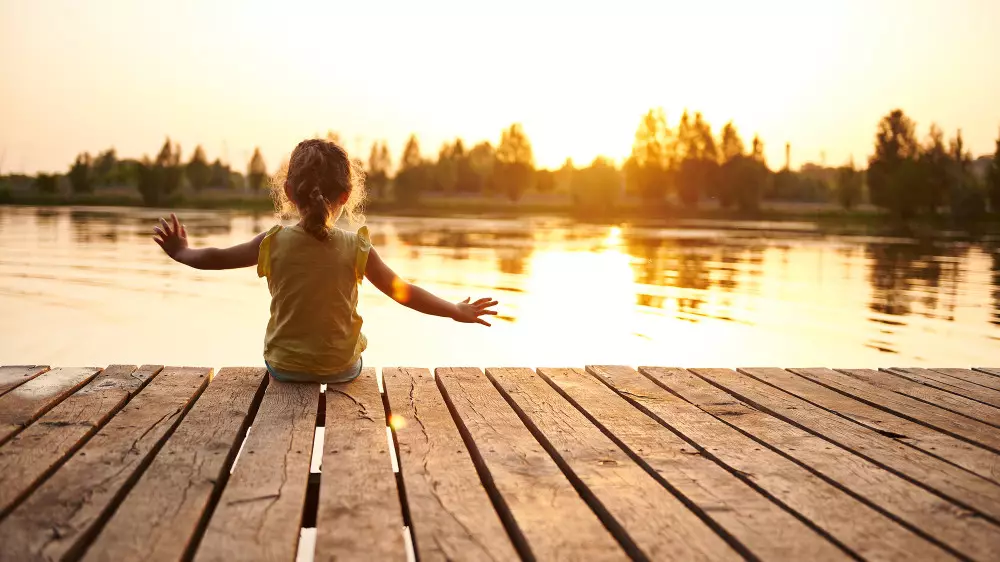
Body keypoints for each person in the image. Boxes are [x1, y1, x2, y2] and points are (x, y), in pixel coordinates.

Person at [152, 138, 497, 383]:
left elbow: (216, 258)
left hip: (284, 368)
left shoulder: (272, 242)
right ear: (345, 197)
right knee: (351, 349)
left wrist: (181, 251)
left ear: (289, 191)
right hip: (341, 369)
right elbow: (402, 292)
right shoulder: (356, 247)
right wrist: (455, 310)